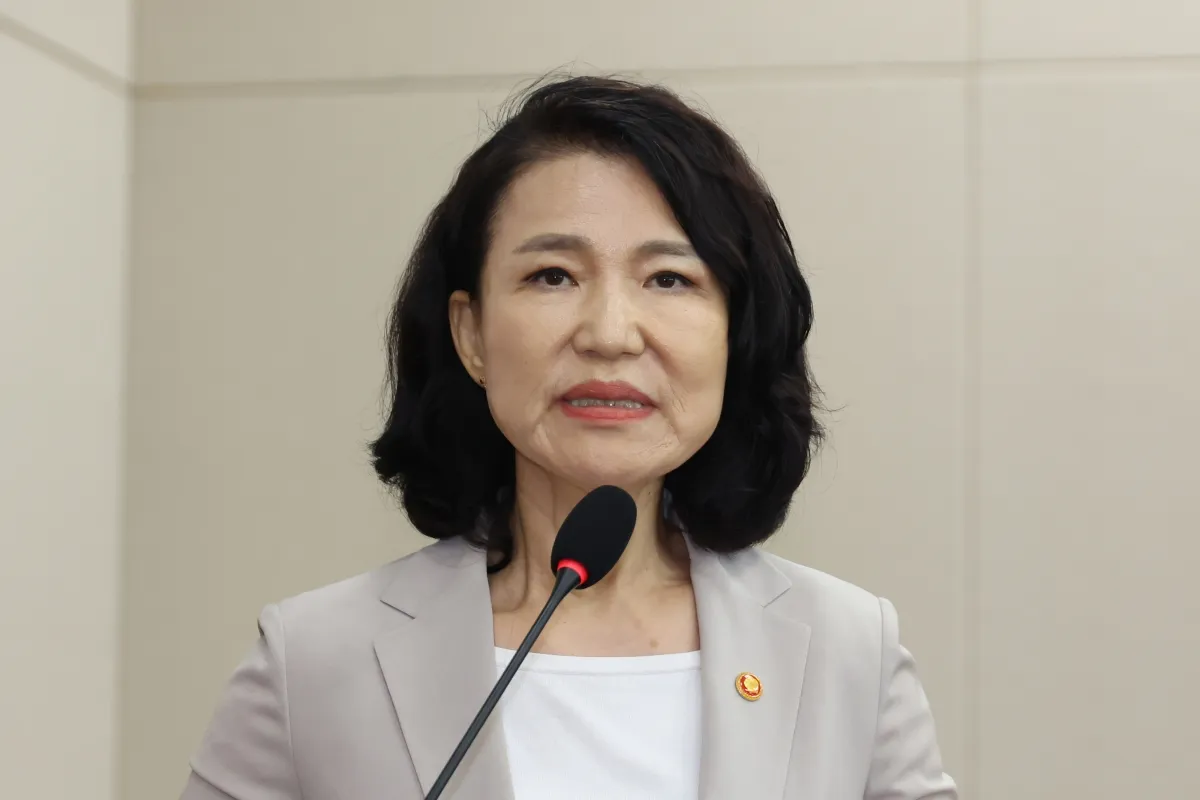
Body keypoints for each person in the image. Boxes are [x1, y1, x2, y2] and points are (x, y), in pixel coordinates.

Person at [180, 75, 957, 800]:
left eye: (669, 279)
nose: (610, 333)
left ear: (734, 334)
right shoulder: (315, 661)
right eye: (553, 275)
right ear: (471, 334)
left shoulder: (848, 652)